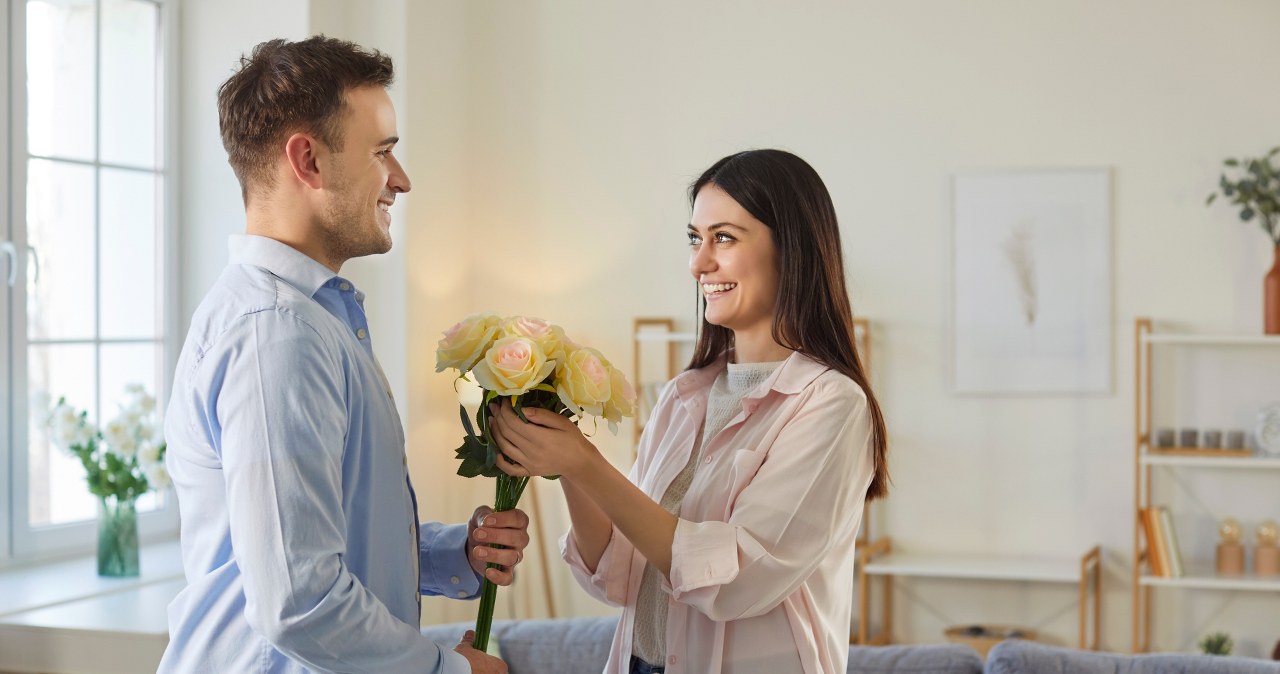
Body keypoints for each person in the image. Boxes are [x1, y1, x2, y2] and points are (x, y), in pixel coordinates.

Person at [159, 36, 525, 674]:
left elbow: (318, 545)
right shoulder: (277, 333)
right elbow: (299, 601)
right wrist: (451, 671)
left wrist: (451, 556)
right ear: (308, 159)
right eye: (383, 152)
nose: (401, 180)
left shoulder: (317, 317)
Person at [490, 149, 889, 674]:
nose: (699, 264)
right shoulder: (684, 397)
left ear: (791, 250)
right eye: (695, 239)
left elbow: (736, 581)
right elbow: (615, 572)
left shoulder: (831, 404)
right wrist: (567, 465)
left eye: (723, 237)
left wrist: (587, 462)